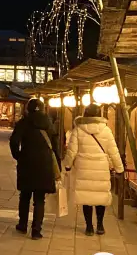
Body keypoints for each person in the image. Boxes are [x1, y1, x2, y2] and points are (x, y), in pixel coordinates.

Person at [64, 104, 124, 235]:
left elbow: (71, 151)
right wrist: (120, 169)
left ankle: (89, 227)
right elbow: (114, 151)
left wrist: (67, 165)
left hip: (84, 167)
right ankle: (100, 225)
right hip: (101, 168)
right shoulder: (106, 130)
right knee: (100, 197)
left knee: (86, 198)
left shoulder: (78, 130)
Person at [10, 98, 61, 240]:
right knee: (39, 198)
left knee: (25, 195)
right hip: (44, 163)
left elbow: (14, 141)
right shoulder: (49, 124)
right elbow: (55, 145)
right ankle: (36, 230)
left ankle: (22, 224)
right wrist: (58, 165)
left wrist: (17, 155)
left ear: (28, 108)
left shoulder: (23, 122)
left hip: (27, 160)